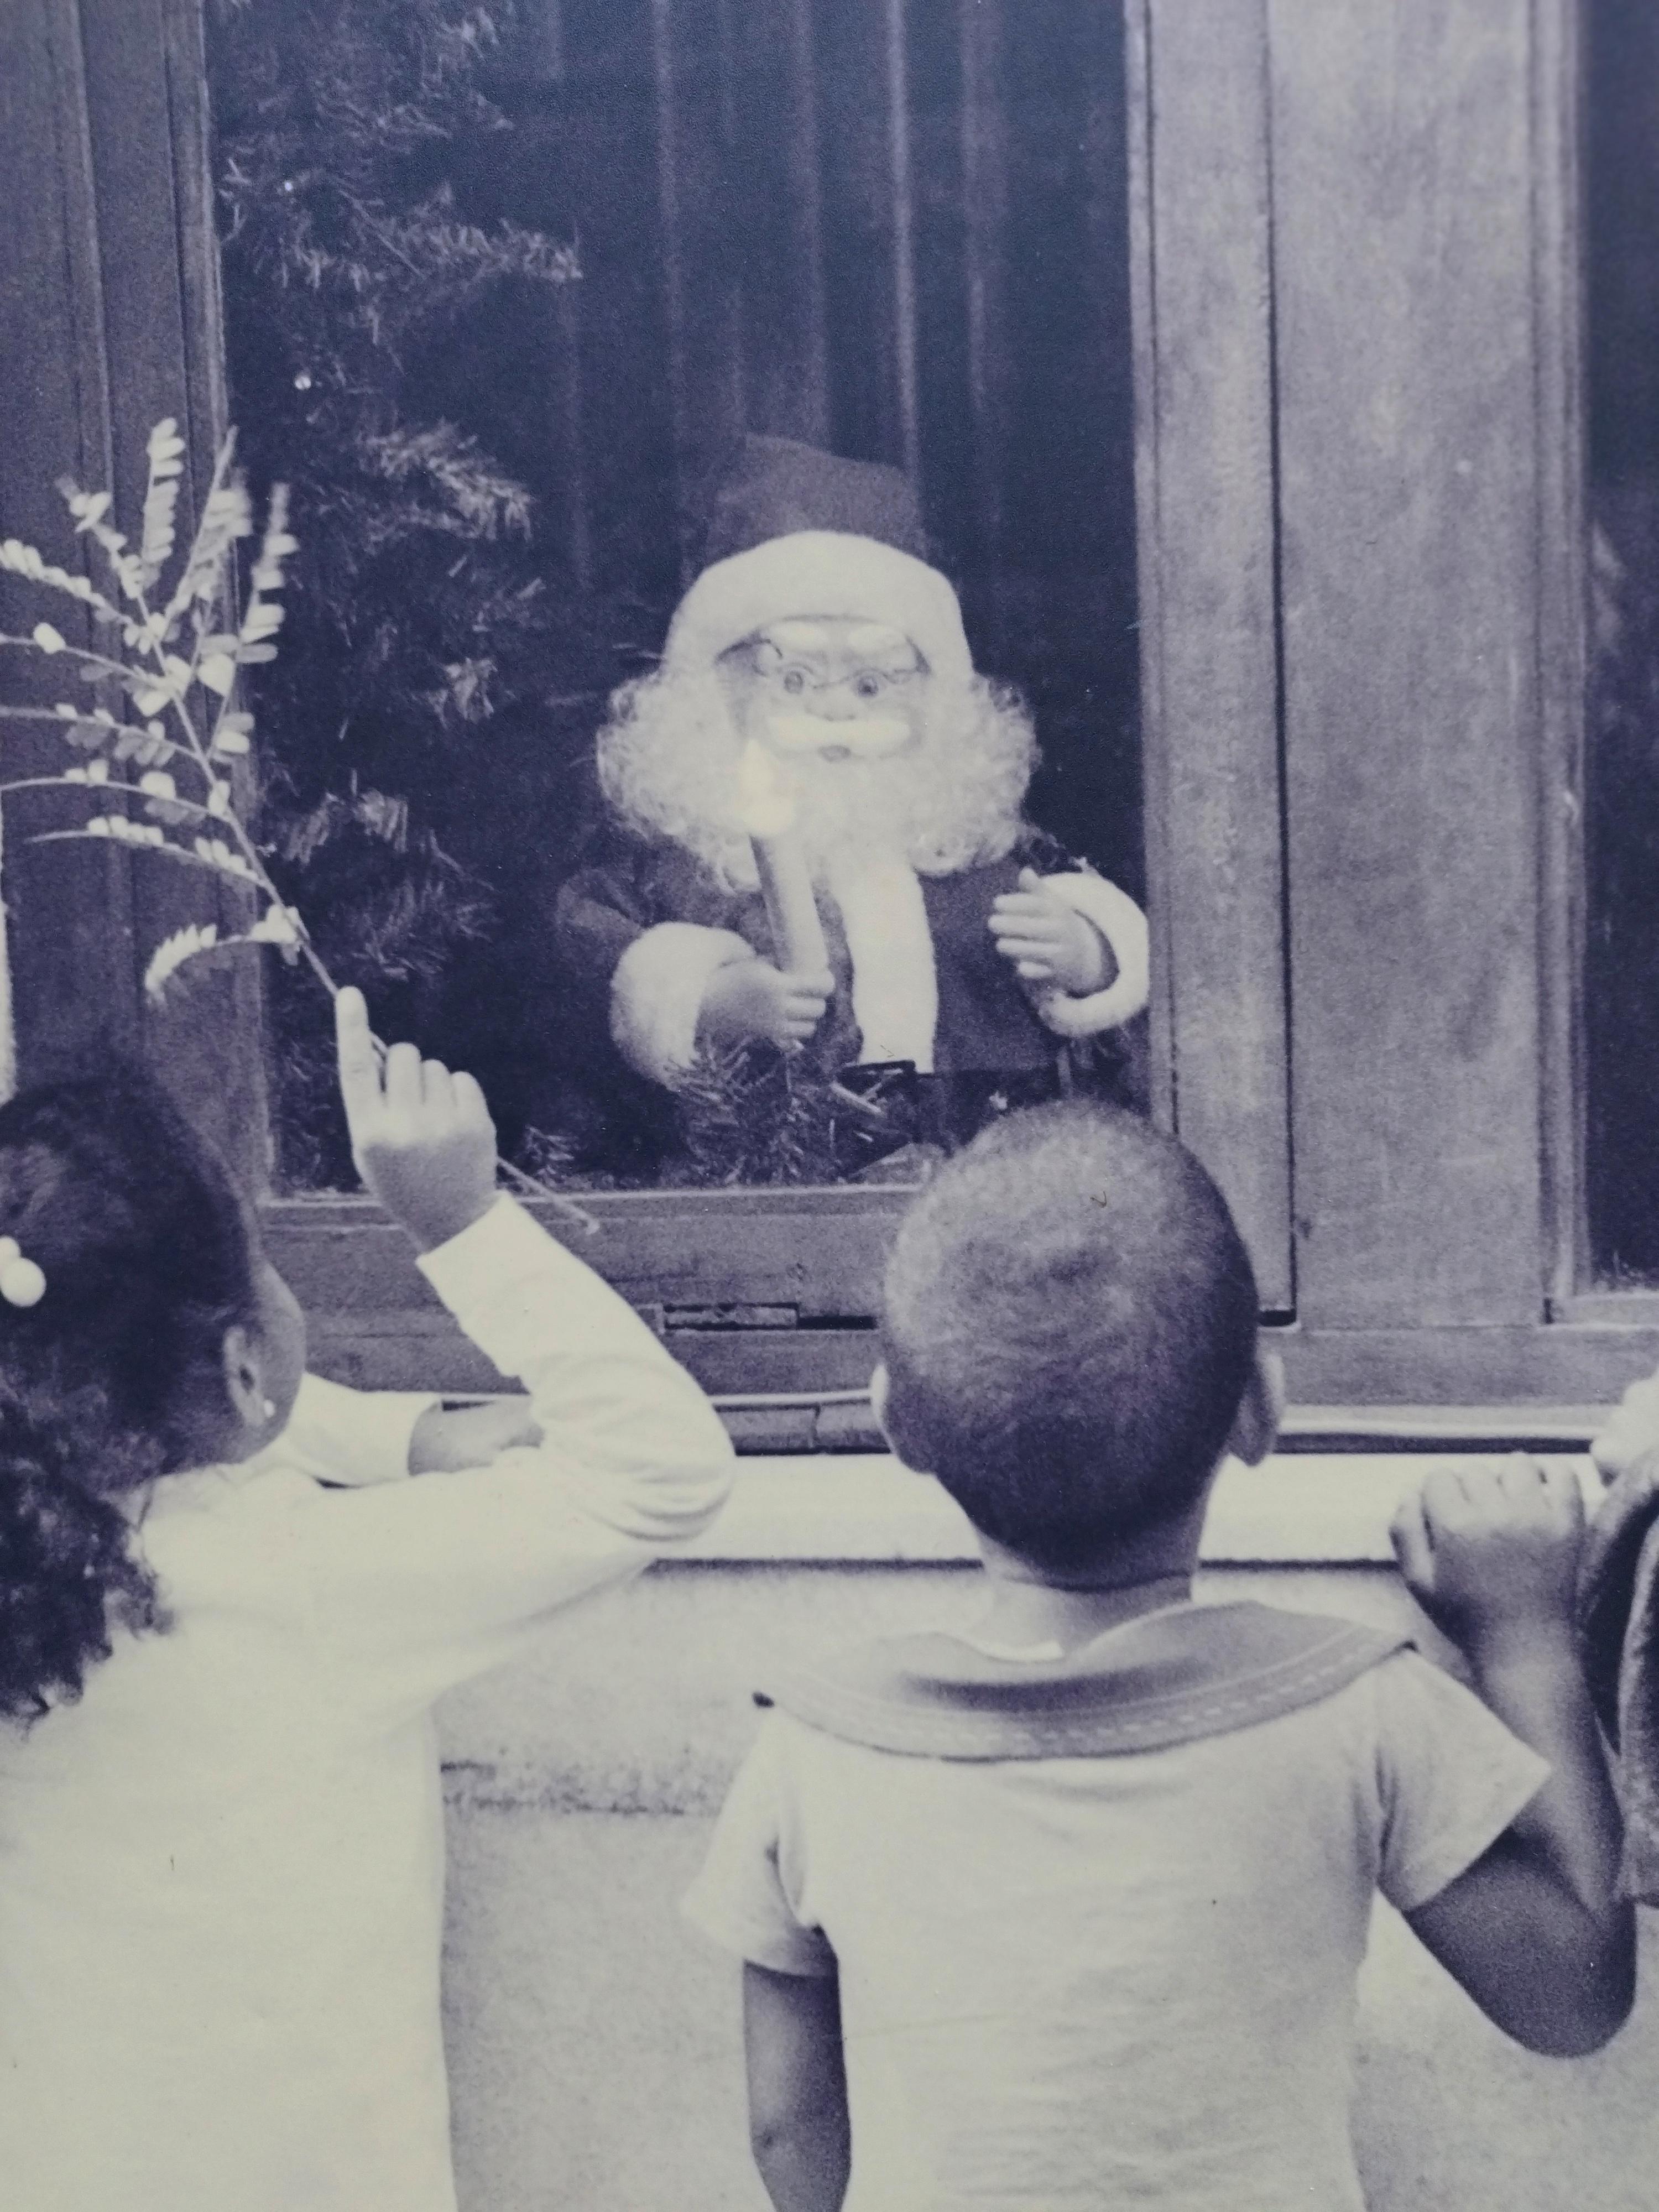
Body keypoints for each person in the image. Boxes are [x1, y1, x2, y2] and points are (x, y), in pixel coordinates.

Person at [682, 1101, 1634, 2212]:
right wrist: (1524, 1635)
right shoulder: (1359, 1708)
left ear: (897, 1423)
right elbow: (1573, 1998)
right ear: (1260, 1412)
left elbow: (787, 2124)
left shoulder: (814, 1743)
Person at [0, 987, 733, 2212]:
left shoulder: (53, 1556)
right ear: (240, 1363)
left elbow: (204, 1430)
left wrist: (409, 1435)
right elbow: (666, 1467)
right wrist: (465, 1224)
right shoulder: (303, 1577)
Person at [553, 435, 1149, 1170]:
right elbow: (594, 953)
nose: (834, 713)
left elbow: (1094, 966)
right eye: (794, 681)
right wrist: (702, 1002)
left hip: (982, 1173)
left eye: (871, 685)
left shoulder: (974, 854)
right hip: (766, 1180)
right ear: (713, 696)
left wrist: (1087, 951)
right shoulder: (681, 874)